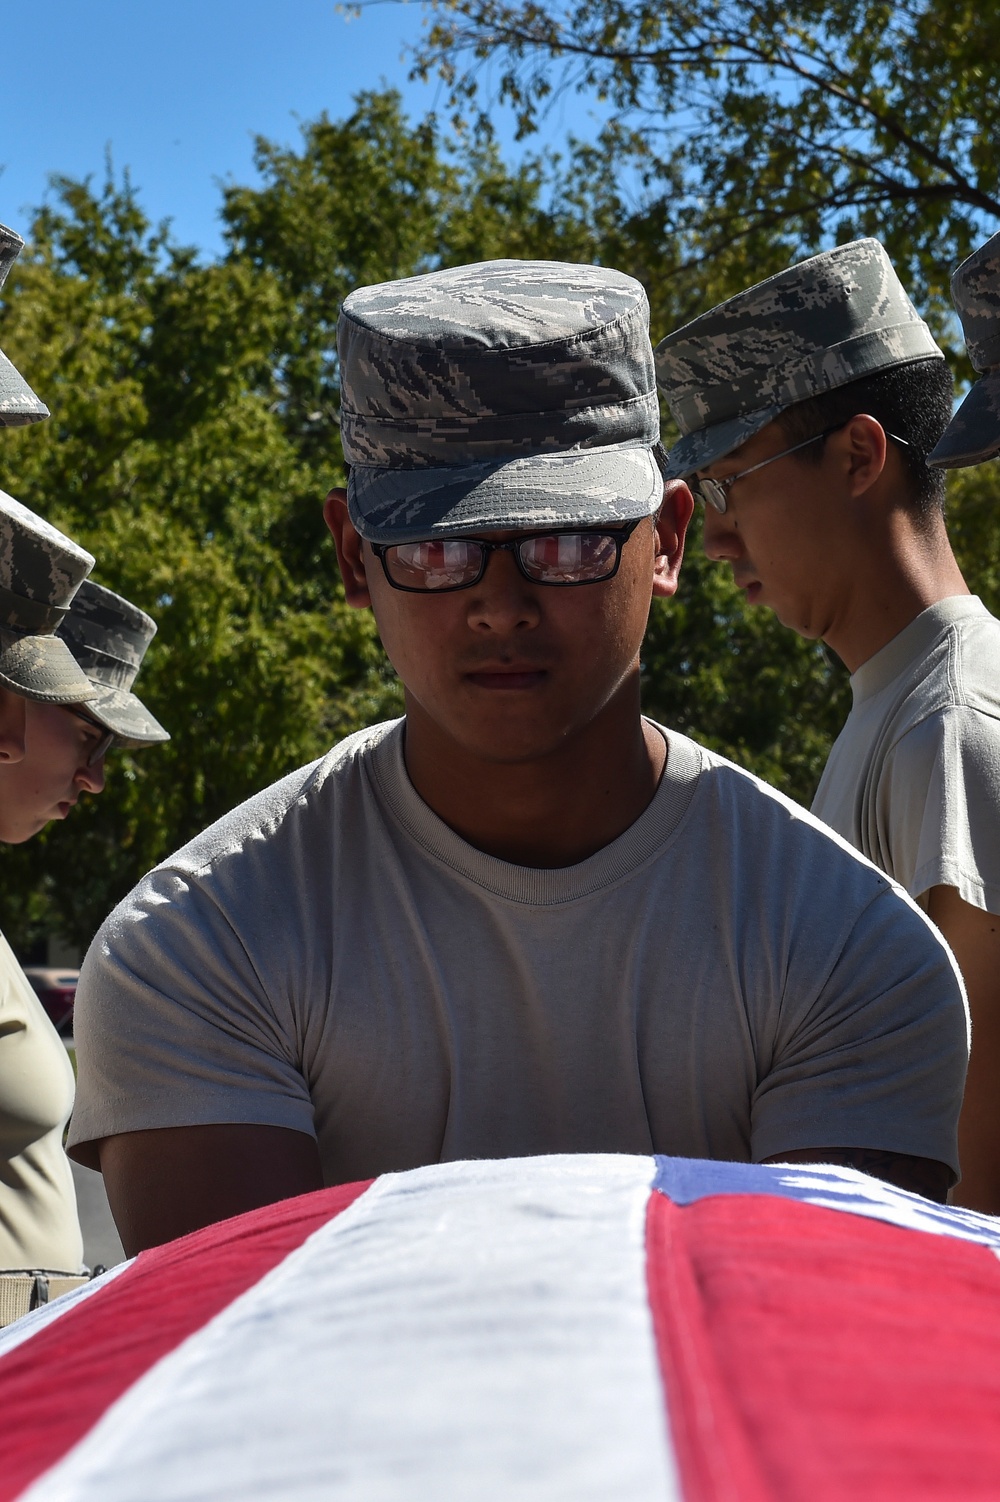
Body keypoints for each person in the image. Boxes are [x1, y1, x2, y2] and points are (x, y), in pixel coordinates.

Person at [70, 259, 968, 1256]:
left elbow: (815, 1355)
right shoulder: (199, 944)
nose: (500, 603)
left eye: (570, 538)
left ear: (667, 539)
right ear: (352, 558)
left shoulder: (849, 951)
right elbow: (247, 1361)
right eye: (437, 547)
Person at [654, 237, 1000, 1212]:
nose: (713, 536)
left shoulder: (954, 717)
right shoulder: (897, 711)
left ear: (858, 455)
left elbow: (971, 1169)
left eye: (727, 485)